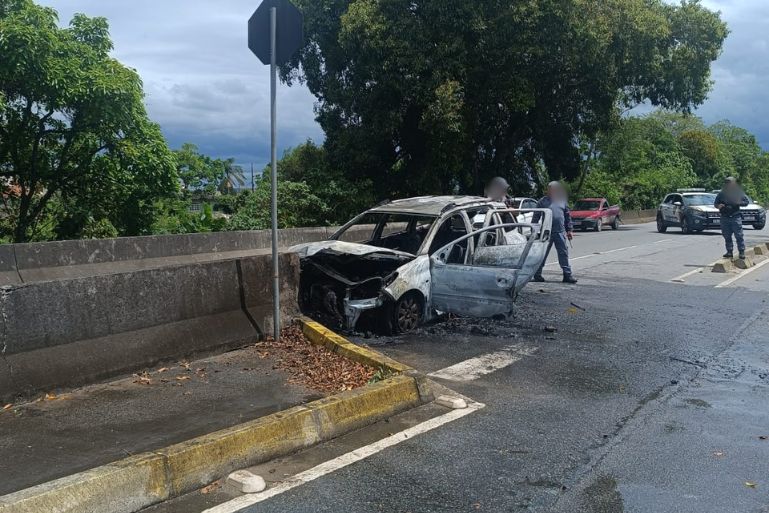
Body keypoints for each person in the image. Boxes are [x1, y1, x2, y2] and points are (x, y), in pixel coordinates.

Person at [533, 182, 577, 284]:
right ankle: (537, 275)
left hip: (560, 232)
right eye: (550, 189)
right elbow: (536, 217)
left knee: (563, 254)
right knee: (542, 254)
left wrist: (569, 230)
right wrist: (534, 230)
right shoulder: (542, 202)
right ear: (547, 190)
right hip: (546, 233)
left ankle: (567, 275)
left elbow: (567, 216)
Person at [714, 176, 749, 259]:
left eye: (729, 183)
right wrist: (718, 206)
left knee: (739, 235)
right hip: (725, 217)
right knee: (726, 235)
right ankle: (729, 251)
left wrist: (738, 202)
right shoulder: (721, 193)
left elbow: (746, 202)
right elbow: (715, 204)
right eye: (726, 183)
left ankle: (741, 252)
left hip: (735, 216)